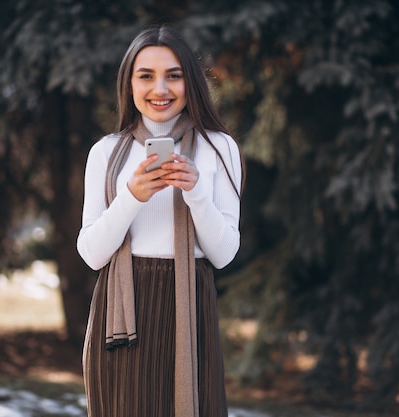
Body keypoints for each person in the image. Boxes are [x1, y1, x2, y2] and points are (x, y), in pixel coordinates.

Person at [77, 25, 243, 417]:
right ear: (129, 85)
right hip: (122, 315)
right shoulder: (106, 153)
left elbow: (223, 254)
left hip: (190, 307)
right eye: (146, 76)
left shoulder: (219, 148)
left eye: (173, 75)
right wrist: (130, 197)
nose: (160, 89)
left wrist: (196, 192)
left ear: (191, 81)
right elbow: (91, 254)